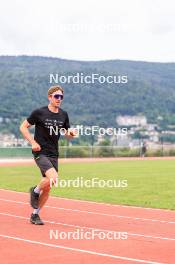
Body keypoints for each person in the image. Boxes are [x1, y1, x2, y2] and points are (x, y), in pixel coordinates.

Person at [20, 85, 74, 225]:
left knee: (49, 186)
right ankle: (36, 190)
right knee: (54, 178)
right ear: (49, 97)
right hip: (40, 152)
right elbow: (23, 127)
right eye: (56, 96)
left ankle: (35, 215)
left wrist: (71, 134)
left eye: (61, 97)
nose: (59, 99)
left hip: (53, 153)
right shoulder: (39, 112)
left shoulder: (63, 114)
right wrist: (32, 142)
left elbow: (66, 134)